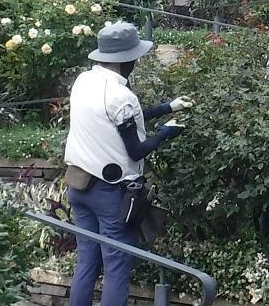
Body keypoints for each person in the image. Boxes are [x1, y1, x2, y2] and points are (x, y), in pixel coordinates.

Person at [63, 21, 194, 306]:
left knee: (86, 262)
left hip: (79, 184)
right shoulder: (121, 95)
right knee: (117, 268)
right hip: (110, 194)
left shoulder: (84, 81)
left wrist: (167, 107)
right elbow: (136, 150)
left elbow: (119, 120)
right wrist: (167, 132)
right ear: (127, 60)